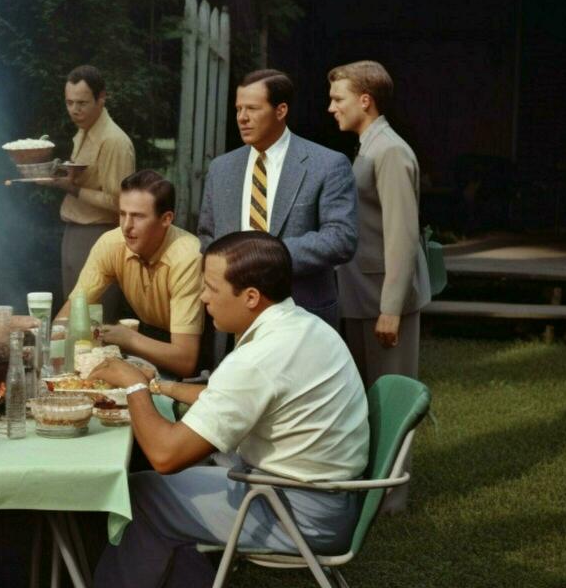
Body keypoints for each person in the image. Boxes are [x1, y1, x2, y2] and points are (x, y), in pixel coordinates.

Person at [89, 232, 368, 588]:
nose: (203, 297)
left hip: (298, 511)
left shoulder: (260, 358)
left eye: (211, 288)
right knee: (171, 486)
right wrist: (160, 388)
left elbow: (167, 454)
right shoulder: (300, 325)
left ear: (251, 296)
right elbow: (235, 397)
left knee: (146, 493)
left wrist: (133, 386)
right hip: (321, 494)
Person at [328, 60, 431, 512]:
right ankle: (370, 487)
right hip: (360, 295)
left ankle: (392, 499)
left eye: (338, 99)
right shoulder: (368, 146)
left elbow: (403, 236)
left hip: (383, 300)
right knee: (366, 397)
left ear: (364, 101)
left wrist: (391, 307)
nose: (331, 107)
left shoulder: (389, 151)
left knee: (391, 397)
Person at [196, 69, 357, 328]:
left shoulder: (327, 164)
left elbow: (341, 238)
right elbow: (206, 235)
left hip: (302, 313)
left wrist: (266, 260)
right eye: (238, 109)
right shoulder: (221, 168)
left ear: (281, 111)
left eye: (252, 109)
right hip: (232, 316)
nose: (242, 118)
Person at [56, 170, 204, 378]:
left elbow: (185, 361)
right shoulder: (112, 242)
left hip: (190, 353)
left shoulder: (186, 256)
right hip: (145, 343)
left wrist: (127, 338)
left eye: (138, 216)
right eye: (122, 214)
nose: (126, 226)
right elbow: (71, 311)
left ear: (166, 219)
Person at [43, 65, 135, 322]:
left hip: (99, 234)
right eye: (69, 102)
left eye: (82, 103)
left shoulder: (114, 141)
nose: (75, 110)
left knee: (95, 319)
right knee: (74, 318)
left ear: (101, 98)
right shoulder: (85, 130)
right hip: (75, 230)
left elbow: (120, 202)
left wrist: (71, 188)